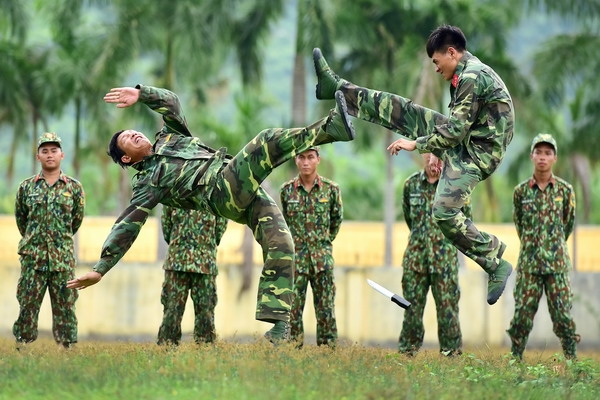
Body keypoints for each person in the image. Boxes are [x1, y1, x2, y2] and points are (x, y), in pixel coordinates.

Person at [66, 85, 355, 342]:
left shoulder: (170, 137)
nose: (133, 133)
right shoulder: (148, 182)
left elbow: (173, 103)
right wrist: (100, 268)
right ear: (127, 158)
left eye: (132, 131)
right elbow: (127, 223)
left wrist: (142, 95)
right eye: (126, 139)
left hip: (241, 185)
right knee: (265, 141)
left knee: (282, 243)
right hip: (221, 190)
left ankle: (279, 327)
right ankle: (332, 128)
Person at [313, 24, 514, 305]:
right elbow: (457, 128)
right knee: (405, 113)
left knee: (443, 212)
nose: (435, 68)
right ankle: (338, 88)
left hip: (476, 153)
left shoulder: (471, 76)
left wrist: (416, 144)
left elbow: (455, 131)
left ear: (452, 53)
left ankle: (494, 261)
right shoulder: (469, 72)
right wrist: (427, 142)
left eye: (436, 61)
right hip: (468, 142)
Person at [507, 133, 579, 360]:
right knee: (522, 316)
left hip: (556, 265)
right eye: (539, 152)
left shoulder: (565, 191)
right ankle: (515, 358)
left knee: (562, 316)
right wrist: (533, 245)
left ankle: (572, 360)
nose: (542, 157)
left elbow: (568, 225)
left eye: (548, 153)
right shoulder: (521, 192)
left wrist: (552, 246)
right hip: (529, 264)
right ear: (531, 156)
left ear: (554, 158)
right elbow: (519, 224)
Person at [13, 132, 86, 349]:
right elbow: (21, 221)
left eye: (54, 150)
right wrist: (34, 241)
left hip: (62, 258)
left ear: (62, 155)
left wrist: (58, 242)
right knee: (27, 303)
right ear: (38, 157)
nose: (49, 155)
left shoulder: (74, 188)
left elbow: (76, 221)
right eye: (44, 151)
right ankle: (22, 347)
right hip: (32, 258)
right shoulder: (26, 187)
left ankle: (67, 349)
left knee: (65, 305)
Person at [398, 153, 468, 357]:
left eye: (437, 154)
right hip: (415, 262)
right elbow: (409, 219)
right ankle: (406, 356)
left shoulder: (456, 187)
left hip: (444, 263)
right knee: (411, 311)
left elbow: (464, 223)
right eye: (428, 154)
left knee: (448, 313)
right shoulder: (411, 185)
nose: (432, 160)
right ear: (422, 154)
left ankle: (451, 358)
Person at [280, 147, 342, 347]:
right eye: (301, 157)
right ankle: (293, 353)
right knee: (293, 310)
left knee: (325, 310)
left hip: (321, 261)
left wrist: (322, 244)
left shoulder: (331, 190)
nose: (305, 162)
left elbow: (335, 222)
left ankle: (327, 355)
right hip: (295, 262)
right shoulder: (286, 190)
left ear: (318, 160)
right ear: (296, 160)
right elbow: (283, 224)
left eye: (310, 157)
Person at [157, 206, 228, 345]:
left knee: (206, 313)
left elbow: (220, 227)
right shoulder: (174, 191)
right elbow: (166, 225)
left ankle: (205, 353)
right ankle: (165, 350)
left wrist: (207, 246)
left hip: (205, 265)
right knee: (171, 311)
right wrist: (179, 246)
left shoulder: (214, 192)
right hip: (177, 263)